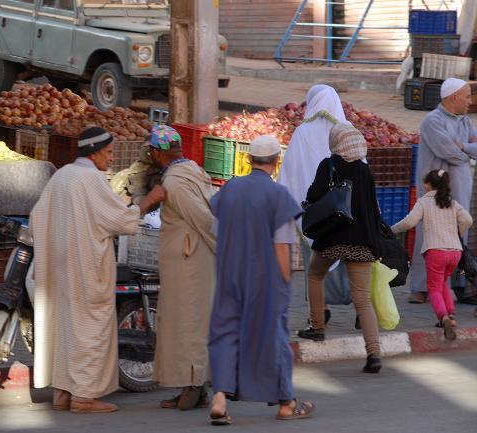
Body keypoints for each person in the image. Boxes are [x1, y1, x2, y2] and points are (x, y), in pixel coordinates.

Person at [30, 127, 167, 414]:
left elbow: (37, 216)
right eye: (108, 152)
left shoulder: (62, 175)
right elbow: (119, 219)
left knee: (66, 328)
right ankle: (84, 397)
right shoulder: (90, 179)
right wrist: (148, 202)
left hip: (61, 270)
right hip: (86, 270)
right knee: (90, 331)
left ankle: (63, 393)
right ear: (93, 153)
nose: (111, 158)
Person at [208, 135, 313, 425]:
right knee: (273, 337)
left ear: (249, 160)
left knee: (224, 333)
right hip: (265, 279)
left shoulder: (229, 189)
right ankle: (286, 402)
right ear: (276, 162)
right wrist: (284, 281)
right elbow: (282, 244)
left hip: (230, 274)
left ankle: (219, 398)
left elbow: (215, 231)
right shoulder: (278, 195)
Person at [299, 124, 383, 374]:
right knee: (363, 300)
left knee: (315, 275)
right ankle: (374, 354)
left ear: (336, 142)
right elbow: (372, 209)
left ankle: (317, 327)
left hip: (332, 238)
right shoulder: (366, 172)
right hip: (361, 241)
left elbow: (314, 195)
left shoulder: (329, 165)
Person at [147, 125, 217, 411]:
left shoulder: (175, 183)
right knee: (187, 321)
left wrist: (224, 248)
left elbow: (203, 219)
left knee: (188, 323)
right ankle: (192, 386)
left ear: (155, 153)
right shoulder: (193, 170)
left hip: (190, 262)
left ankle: (192, 387)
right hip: (190, 260)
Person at [278, 84, 350, 323]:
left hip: (314, 212)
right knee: (351, 258)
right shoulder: (348, 131)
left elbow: (290, 172)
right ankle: (362, 308)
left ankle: (319, 312)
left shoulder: (302, 132)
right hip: (345, 210)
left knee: (315, 264)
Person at [409, 77, 477, 304]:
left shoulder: (465, 122)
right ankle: (420, 288)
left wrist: (465, 147)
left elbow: (471, 148)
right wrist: (466, 152)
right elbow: (448, 151)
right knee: (429, 235)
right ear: (454, 97)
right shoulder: (432, 121)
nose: (470, 101)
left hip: (461, 185)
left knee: (459, 234)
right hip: (435, 191)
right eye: (467, 96)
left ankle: (459, 285)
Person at [392, 170, 473, 340]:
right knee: (443, 282)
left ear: (428, 184)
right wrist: (458, 232)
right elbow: (468, 220)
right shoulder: (452, 202)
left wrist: (392, 229)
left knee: (434, 288)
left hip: (436, 251)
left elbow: (409, 222)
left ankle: (443, 317)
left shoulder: (424, 202)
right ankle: (451, 317)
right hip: (455, 253)